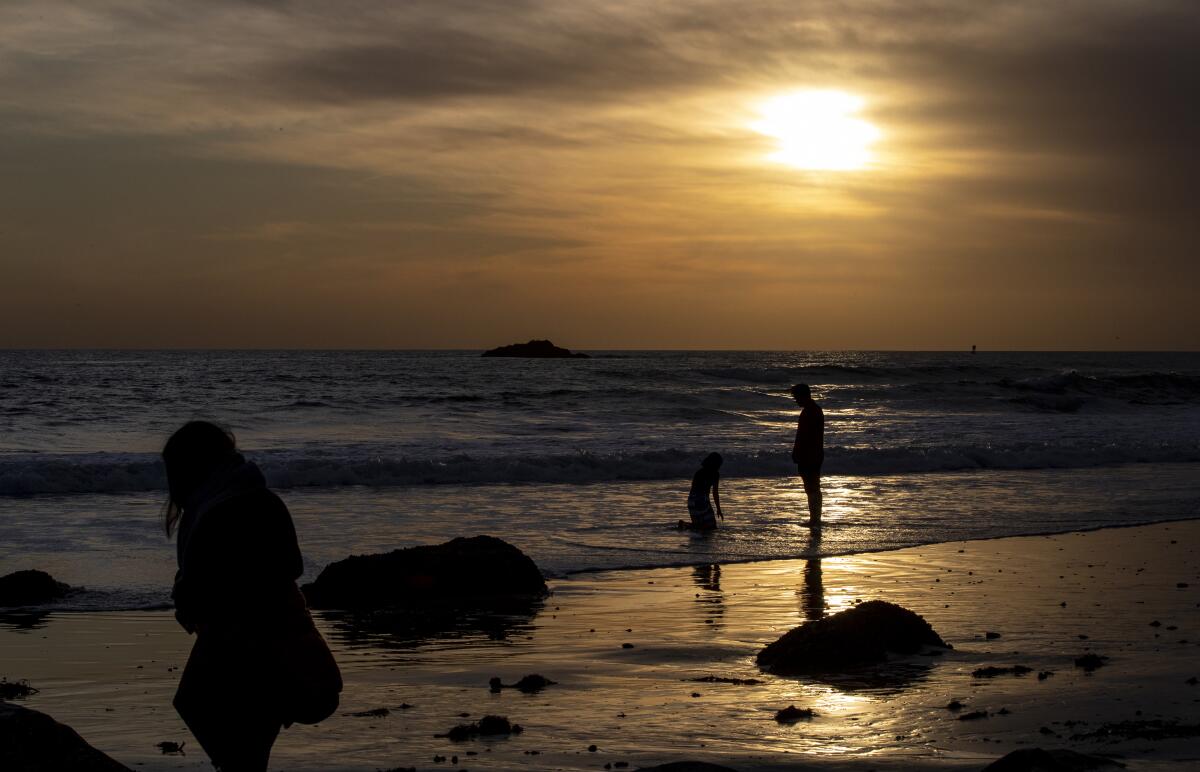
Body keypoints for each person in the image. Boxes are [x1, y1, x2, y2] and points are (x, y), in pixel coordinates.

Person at [163, 421, 341, 772]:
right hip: (277, 632)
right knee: (245, 743)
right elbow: (291, 565)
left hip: (240, 644)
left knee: (221, 728)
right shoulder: (259, 497)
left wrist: (193, 592)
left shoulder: (214, 510)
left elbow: (199, 591)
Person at [790, 383, 824, 528]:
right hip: (815, 454)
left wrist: (797, 452)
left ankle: (814, 520)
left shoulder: (809, 412)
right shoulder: (815, 410)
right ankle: (815, 518)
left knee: (811, 487)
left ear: (803, 395)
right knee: (813, 487)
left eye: (796, 397)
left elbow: (804, 436)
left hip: (809, 455)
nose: (795, 400)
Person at [681, 452, 724, 531]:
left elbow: (693, 490)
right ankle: (685, 525)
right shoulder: (715, 474)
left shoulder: (699, 473)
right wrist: (718, 509)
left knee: (698, 527)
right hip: (702, 500)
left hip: (691, 501)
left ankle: (684, 525)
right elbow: (715, 493)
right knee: (711, 527)